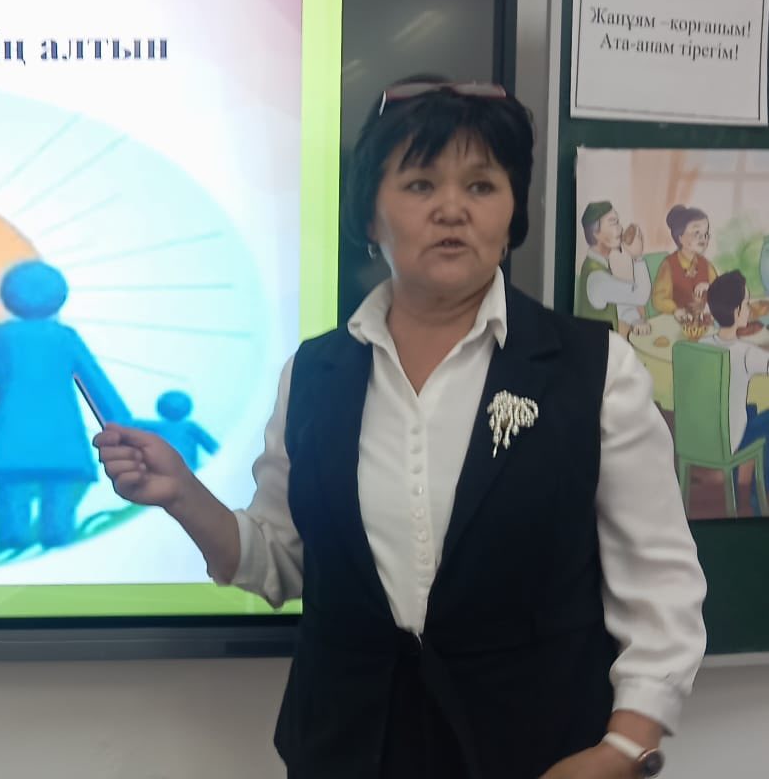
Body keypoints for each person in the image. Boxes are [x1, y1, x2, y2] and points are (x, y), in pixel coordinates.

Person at [94, 77, 706, 779]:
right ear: (369, 215)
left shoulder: (592, 369)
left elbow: (660, 583)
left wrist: (624, 749)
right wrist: (182, 495)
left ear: (512, 212)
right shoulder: (315, 373)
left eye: (481, 186)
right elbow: (285, 562)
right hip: (347, 751)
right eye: (419, 185)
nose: (452, 209)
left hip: (540, 756)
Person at [0, 260, 130, 550]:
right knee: (59, 511)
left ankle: (13, 545)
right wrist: (121, 423)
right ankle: (57, 543)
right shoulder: (65, 337)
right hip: (60, 436)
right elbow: (95, 383)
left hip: (10, 435)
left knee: (12, 505)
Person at [697, 270, 769, 515]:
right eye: (747, 304)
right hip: (730, 440)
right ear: (737, 312)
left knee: (751, 409)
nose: (749, 309)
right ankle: (759, 498)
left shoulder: (701, 345)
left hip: (705, 437)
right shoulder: (746, 353)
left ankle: (737, 481)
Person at [575, 200, 652, 338]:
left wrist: (634, 319)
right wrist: (637, 257)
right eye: (613, 223)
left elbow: (617, 304)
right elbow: (641, 295)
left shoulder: (597, 266)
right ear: (595, 233)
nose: (621, 228)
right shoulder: (597, 278)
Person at [651, 204, 717, 322]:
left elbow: (721, 290)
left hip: (704, 321)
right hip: (678, 321)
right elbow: (659, 299)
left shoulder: (706, 265)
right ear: (680, 237)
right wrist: (675, 309)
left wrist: (710, 287)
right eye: (696, 233)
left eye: (706, 234)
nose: (703, 238)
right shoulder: (669, 264)